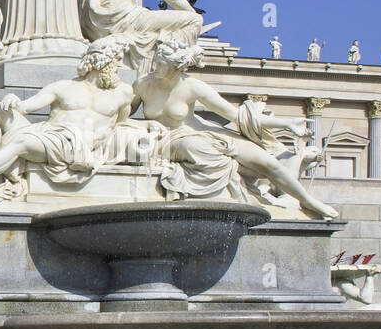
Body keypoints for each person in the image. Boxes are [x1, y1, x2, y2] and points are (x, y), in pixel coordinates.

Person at [134, 39, 337, 219]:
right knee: (200, 149)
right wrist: (144, 125)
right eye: (156, 60)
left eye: (161, 63)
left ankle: (307, 200)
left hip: (207, 132)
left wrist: (286, 123)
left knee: (270, 165)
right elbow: (121, 117)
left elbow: (236, 116)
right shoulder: (143, 84)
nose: (155, 66)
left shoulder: (193, 86)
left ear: (176, 67)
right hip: (174, 139)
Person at [0, 37, 135, 198]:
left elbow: (121, 124)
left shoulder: (123, 93)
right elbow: (26, 107)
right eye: (117, 60)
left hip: (73, 147)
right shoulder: (65, 87)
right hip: (49, 134)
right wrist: (13, 99)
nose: (119, 67)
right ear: (102, 61)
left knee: (23, 142)